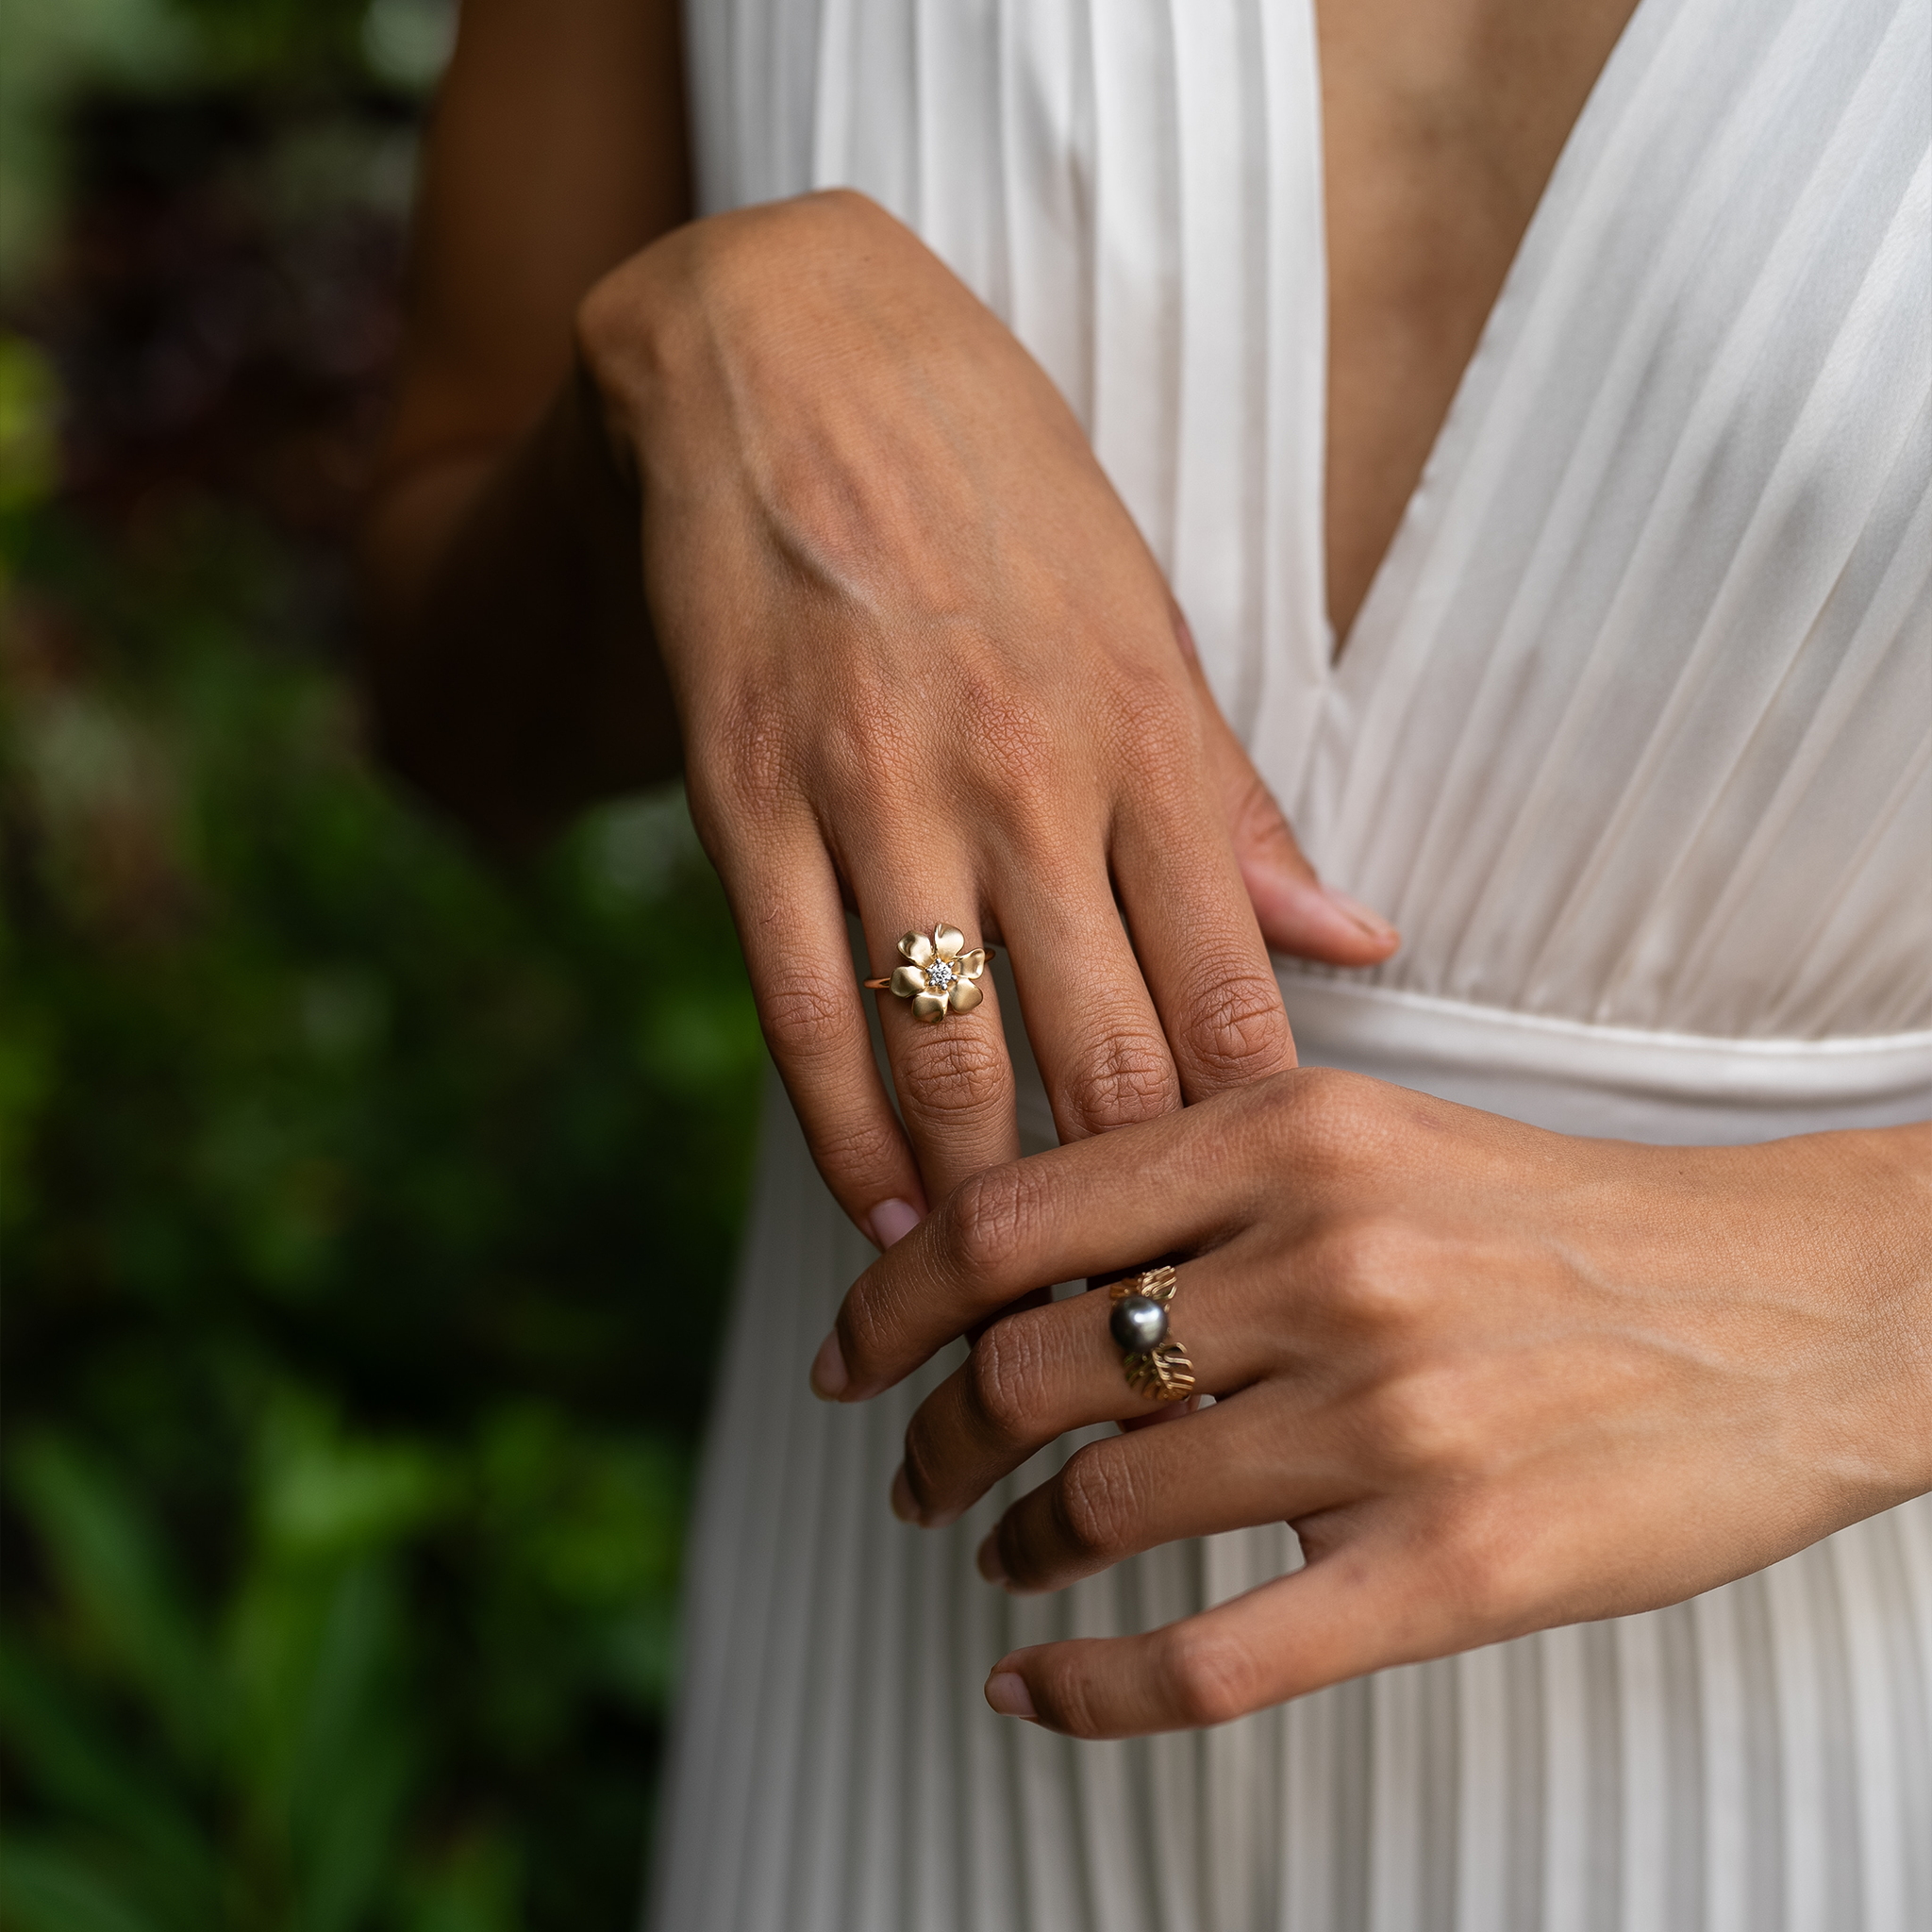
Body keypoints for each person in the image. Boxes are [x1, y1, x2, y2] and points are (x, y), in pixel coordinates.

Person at [359, 0, 1932, 1924]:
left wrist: (1876, 1294)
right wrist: (677, 359)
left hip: (1833, 1707)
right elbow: (453, 699)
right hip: (889, 1732)